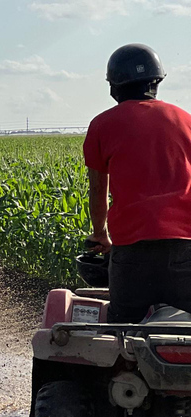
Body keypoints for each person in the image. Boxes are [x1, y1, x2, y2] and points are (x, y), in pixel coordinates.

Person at [83, 43, 191, 322]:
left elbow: (98, 192)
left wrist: (99, 233)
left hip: (132, 249)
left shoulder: (102, 125)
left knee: (123, 331)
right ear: (156, 81)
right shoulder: (186, 120)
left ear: (114, 86)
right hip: (184, 248)